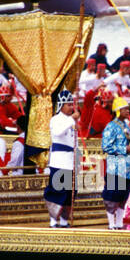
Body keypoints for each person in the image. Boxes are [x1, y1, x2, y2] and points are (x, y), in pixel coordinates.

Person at [44, 89, 77, 228]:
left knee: (68, 192)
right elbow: (58, 132)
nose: (71, 107)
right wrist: (71, 119)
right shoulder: (56, 119)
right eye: (69, 104)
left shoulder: (70, 121)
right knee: (57, 190)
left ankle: (64, 220)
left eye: (72, 104)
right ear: (62, 105)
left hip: (70, 160)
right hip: (59, 161)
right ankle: (53, 220)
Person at [101, 96, 130, 230]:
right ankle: (111, 223)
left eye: (127, 108)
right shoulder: (111, 126)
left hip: (126, 166)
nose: (128, 111)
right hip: (115, 167)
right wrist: (124, 149)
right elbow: (106, 146)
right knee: (112, 194)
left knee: (123, 194)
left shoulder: (126, 125)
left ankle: (119, 222)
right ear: (118, 110)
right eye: (125, 109)